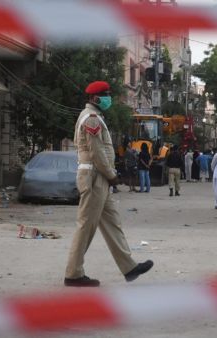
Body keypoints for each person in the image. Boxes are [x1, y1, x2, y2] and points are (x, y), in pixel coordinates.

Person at [65, 81, 153, 287]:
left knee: (113, 223)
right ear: (95, 99)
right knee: (86, 226)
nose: (109, 99)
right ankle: (73, 274)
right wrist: (111, 175)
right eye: (106, 95)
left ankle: (129, 267)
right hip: (94, 176)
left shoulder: (92, 117)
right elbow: (97, 153)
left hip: (99, 178)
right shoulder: (92, 119)